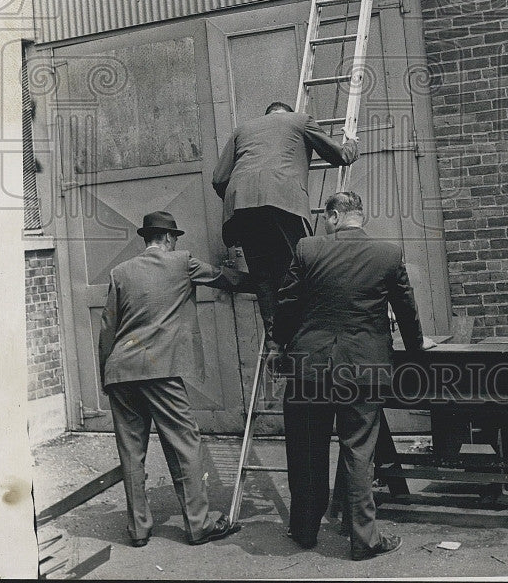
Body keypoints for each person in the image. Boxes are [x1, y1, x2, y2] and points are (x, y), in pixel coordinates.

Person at [273, 191, 435, 560]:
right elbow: (406, 310)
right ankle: (364, 540)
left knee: (306, 449)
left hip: (310, 367)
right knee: (359, 452)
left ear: (332, 216)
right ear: (360, 217)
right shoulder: (388, 254)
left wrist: (281, 343)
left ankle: (304, 531)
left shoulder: (308, 249)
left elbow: (286, 304)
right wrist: (414, 350)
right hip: (364, 368)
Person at [98, 210, 242, 547]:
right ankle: (199, 524)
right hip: (159, 369)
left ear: (146, 238)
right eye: (174, 237)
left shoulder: (120, 272)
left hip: (120, 371)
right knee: (183, 444)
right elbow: (224, 278)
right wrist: (261, 281)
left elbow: (107, 327)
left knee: (131, 452)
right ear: (167, 238)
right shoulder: (182, 261)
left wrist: (107, 374)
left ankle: (138, 530)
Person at [212, 101, 358, 339]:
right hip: (284, 200)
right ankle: (304, 336)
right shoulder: (301, 120)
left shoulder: (242, 129)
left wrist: (241, 196)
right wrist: (351, 142)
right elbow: (340, 155)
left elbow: (219, 179)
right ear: (287, 114)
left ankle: (275, 341)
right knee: (299, 268)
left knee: (263, 278)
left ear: (267, 115)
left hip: (242, 208)